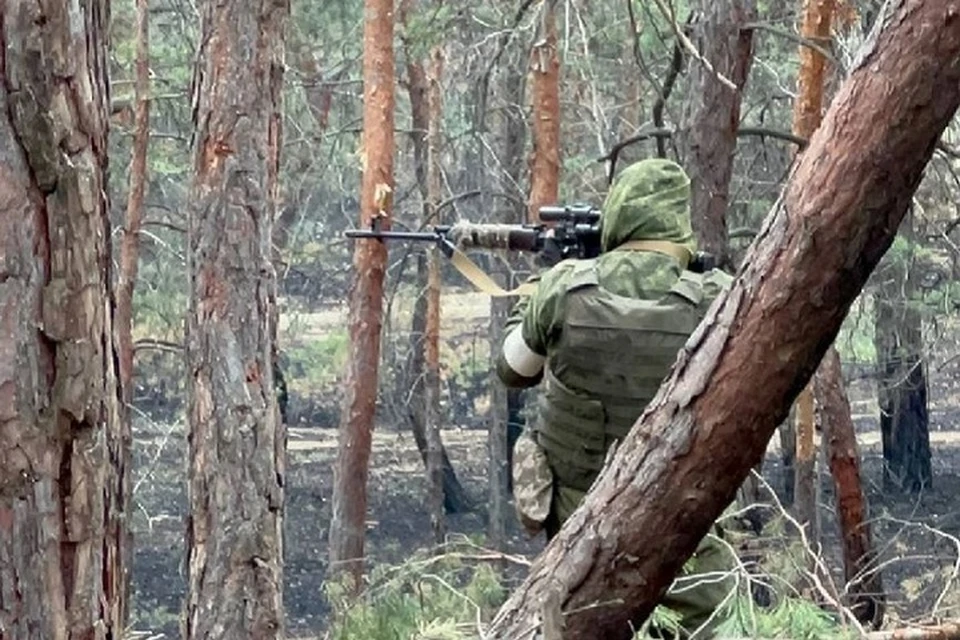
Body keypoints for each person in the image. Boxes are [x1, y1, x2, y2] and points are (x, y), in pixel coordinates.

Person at [496, 158, 738, 639]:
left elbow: (514, 369)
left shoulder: (563, 288)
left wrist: (537, 295)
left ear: (619, 213)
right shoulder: (720, 296)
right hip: (689, 534)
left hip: (581, 542)